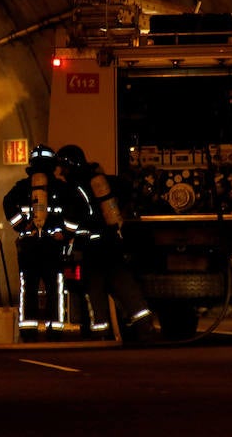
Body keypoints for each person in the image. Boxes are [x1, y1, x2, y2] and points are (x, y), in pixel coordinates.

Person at [55, 144, 155, 343]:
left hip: (91, 250)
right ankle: (146, 326)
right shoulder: (101, 180)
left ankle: (102, 332)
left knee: (95, 291)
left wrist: (63, 235)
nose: (60, 172)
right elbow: (126, 190)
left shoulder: (75, 188)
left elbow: (73, 220)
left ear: (68, 165)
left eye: (62, 167)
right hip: (112, 243)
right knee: (126, 287)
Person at [3, 144, 80, 342]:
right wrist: (65, 233)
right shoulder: (62, 188)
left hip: (29, 246)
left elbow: (7, 203)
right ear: (53, 164)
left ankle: (28, 329)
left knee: (28, 287)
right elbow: (75, 211)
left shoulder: (21, 187)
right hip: (52, 246)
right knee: (55, 287)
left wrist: (22, 227)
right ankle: (55, 329)